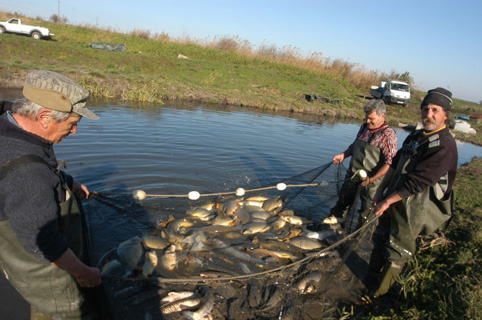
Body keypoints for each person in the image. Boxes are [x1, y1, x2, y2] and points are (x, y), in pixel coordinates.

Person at [0, 70, 102, 319]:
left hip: (24, 220)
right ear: (44, 117)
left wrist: (65, 181)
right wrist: (83, 273)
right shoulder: (28, 174)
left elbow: (33, 168)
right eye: (71, 124)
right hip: (40, 265)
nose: (75, 131)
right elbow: (42, 243)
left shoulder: (11, 120)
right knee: (64, 312)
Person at [367, 87, 458, 298]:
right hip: (395, 196)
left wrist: (388, 201)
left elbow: (419, 183)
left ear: (446, 115)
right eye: (425, 108)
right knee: (381, 238)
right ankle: (370, 278)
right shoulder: (416, 135)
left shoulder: (444, 145)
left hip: (417, 205)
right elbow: (395, 163)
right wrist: (381, 189)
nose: (428, 114)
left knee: (399, 249)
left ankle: (378, 294)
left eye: (435, 110)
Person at [326, 99, 398, 227]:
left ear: (382, 116)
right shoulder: (364, 127)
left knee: (365, 214)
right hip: (353, 175)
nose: (367, 121)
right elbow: (355, 145)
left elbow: (389, 164)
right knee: (341, 204)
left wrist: (371, 179)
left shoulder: (389, 135)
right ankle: (332, 230)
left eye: (371, 118)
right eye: (366, 118)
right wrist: (344, 155)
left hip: (372, 181)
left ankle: (354, 243)